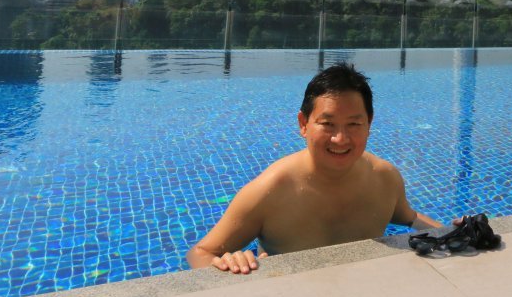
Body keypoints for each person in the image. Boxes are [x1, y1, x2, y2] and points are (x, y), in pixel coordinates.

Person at [186, 63, 441, 273]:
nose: (340, 139)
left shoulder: (384, 178)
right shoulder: (272, 191)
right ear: (303, 124)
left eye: (354, 124)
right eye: (327, 124)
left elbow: (409, 217)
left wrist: (453, 231)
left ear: (369, 123)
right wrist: (227, 263)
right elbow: (201, 253)